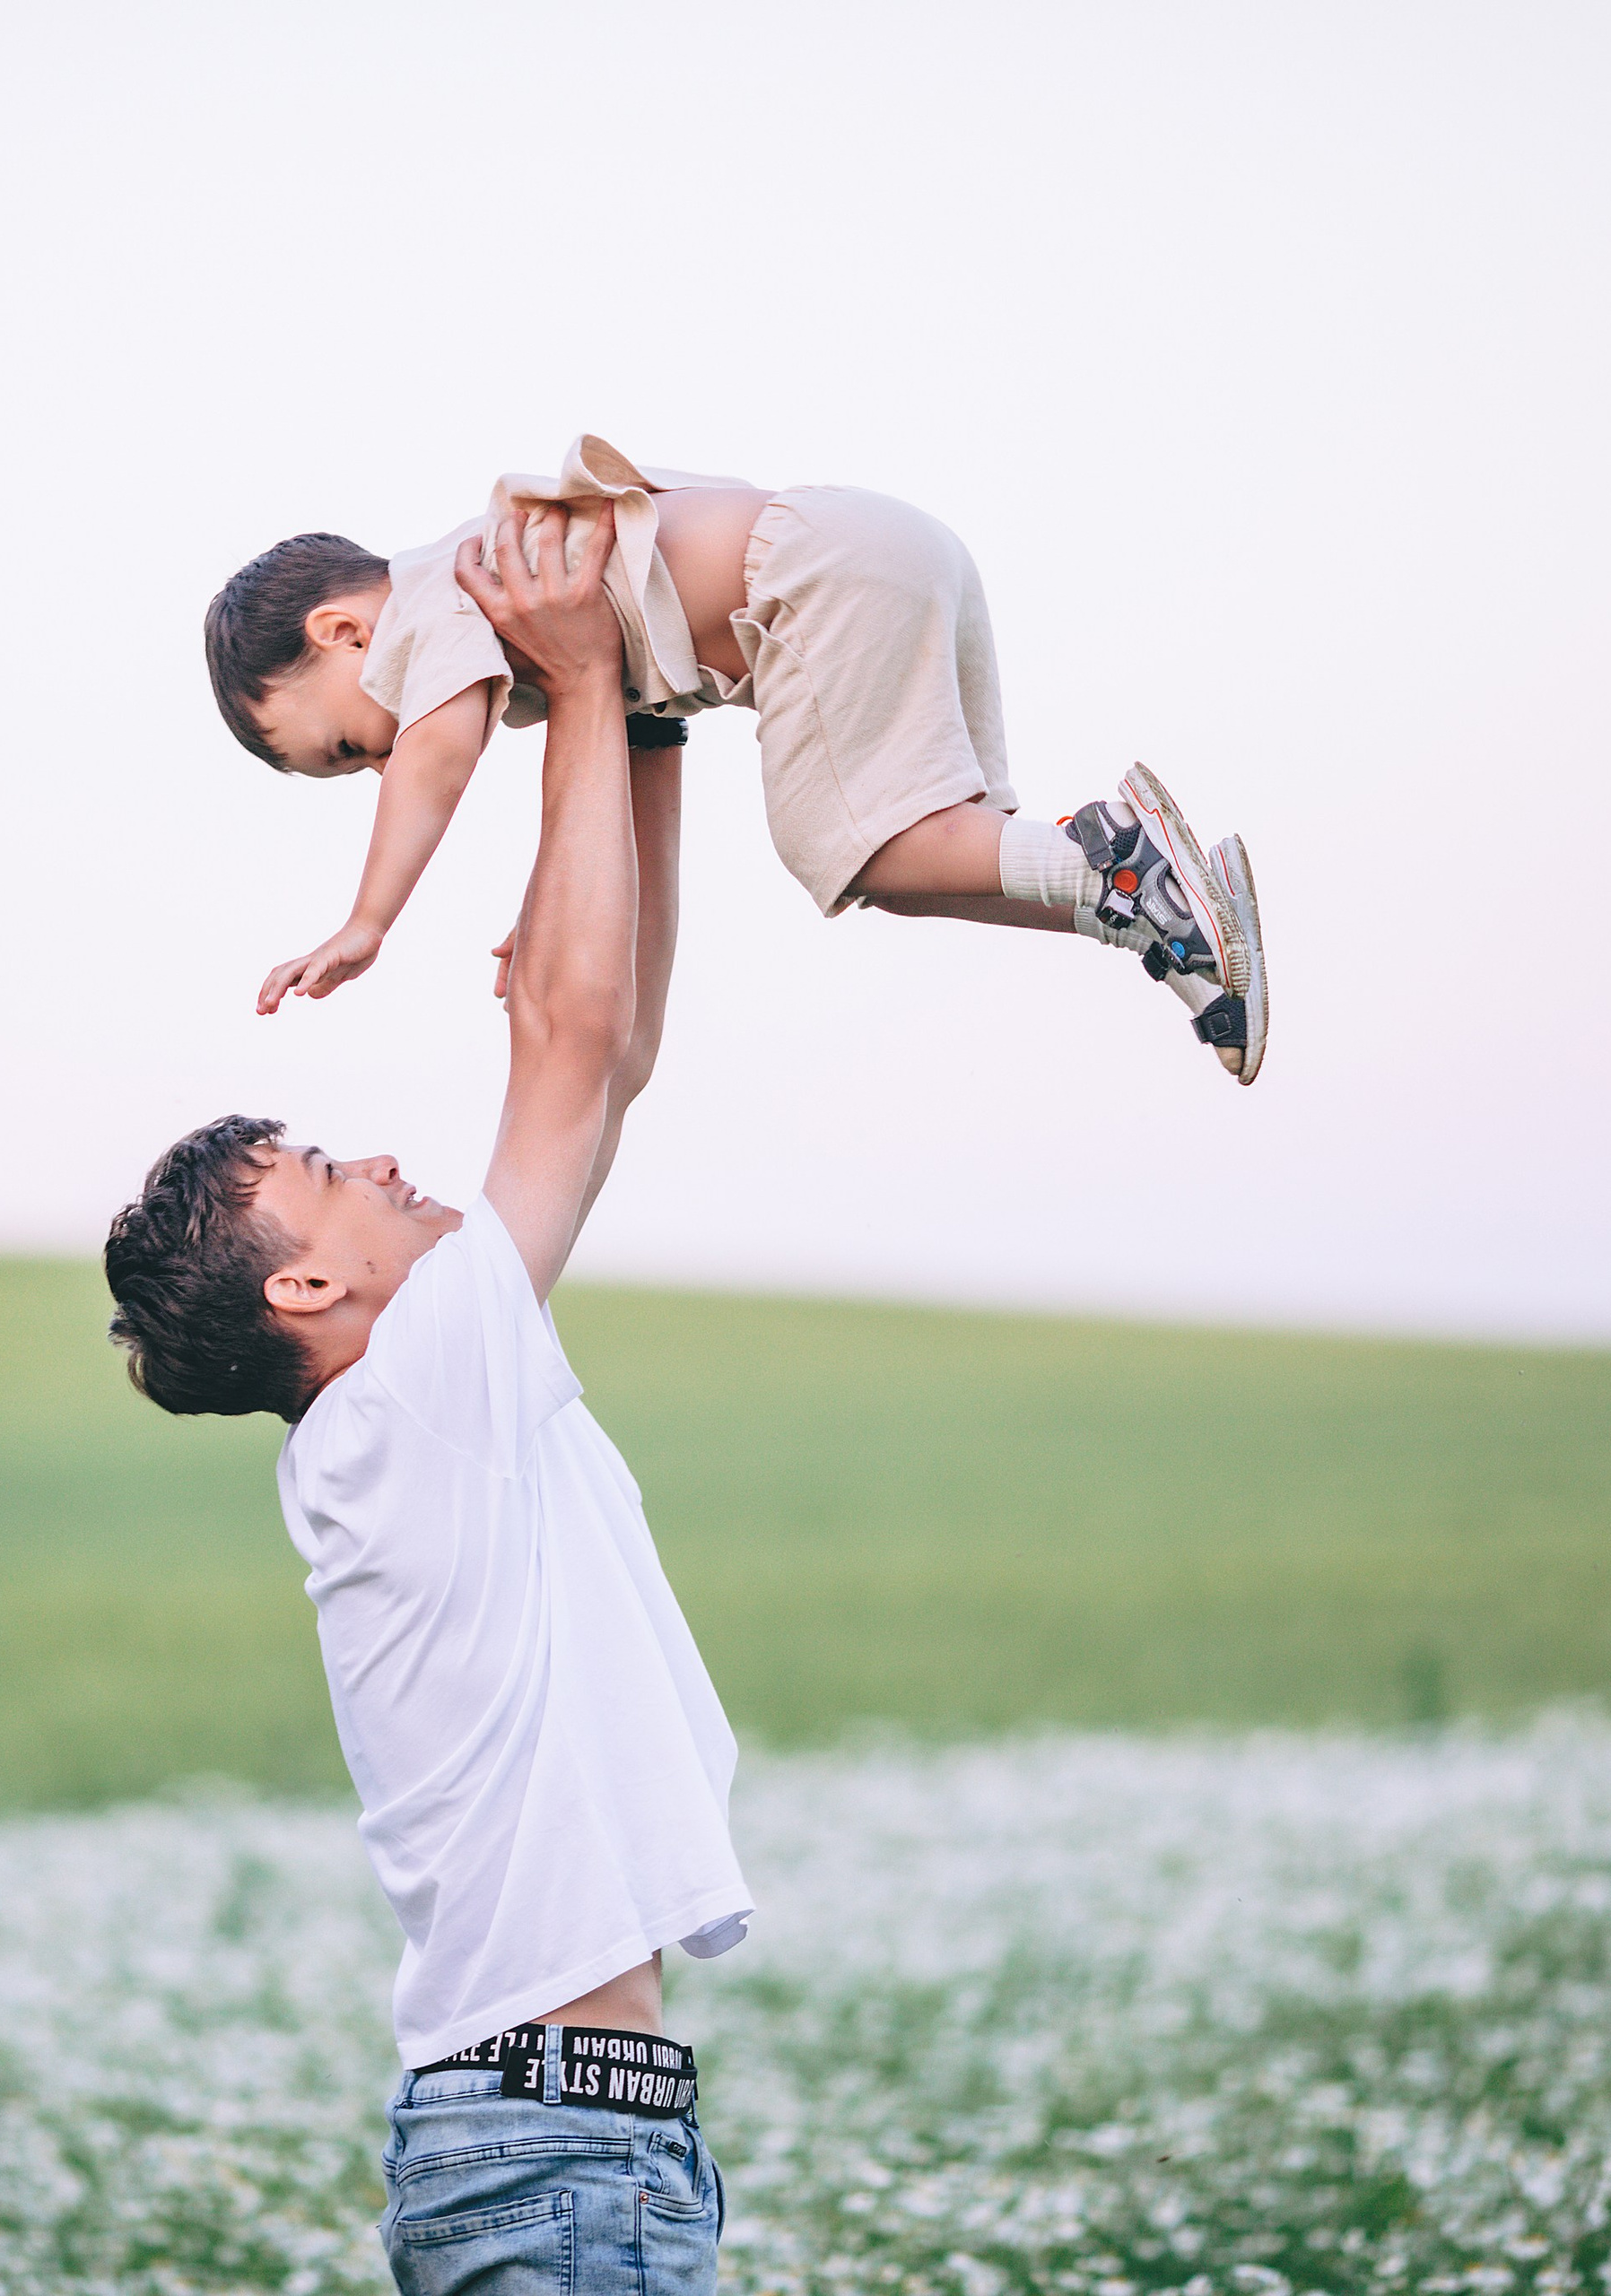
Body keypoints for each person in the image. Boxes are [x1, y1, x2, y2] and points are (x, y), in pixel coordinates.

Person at [108, 504, 741, 2293]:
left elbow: (600, 1054)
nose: (378, 1157)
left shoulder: (405, 1427)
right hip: (556, 2155)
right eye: (325, 1170)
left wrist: (648, 721)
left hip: (561, 2143)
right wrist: (590, 669)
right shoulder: (403, 1414)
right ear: (307, 1289)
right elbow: (565, 1036)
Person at [208, 434, 1268, 1083]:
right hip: (880, 546)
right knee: (941, 858)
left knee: (861, 851)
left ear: (343, 633)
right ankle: (1160, 912)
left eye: (347, 746)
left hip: (809, 579)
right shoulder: (481, 589)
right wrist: (554, 901)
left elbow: (441, 751)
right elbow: (594, 764)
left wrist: (368, 920)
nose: (380, 760)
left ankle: (1127, 865)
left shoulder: (437, 595)